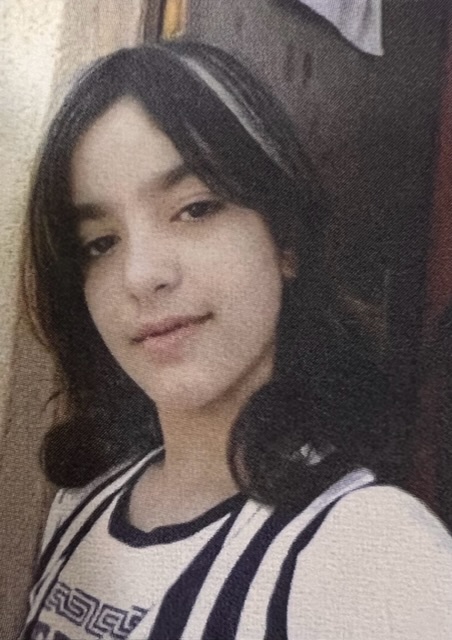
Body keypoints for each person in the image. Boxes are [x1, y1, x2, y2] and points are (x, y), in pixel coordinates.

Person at [20, 41, 452, 640]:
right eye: (100, 243)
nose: (141, 275)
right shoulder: (84, 503)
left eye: (195, 209)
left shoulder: (374, 556)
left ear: (285, 239)